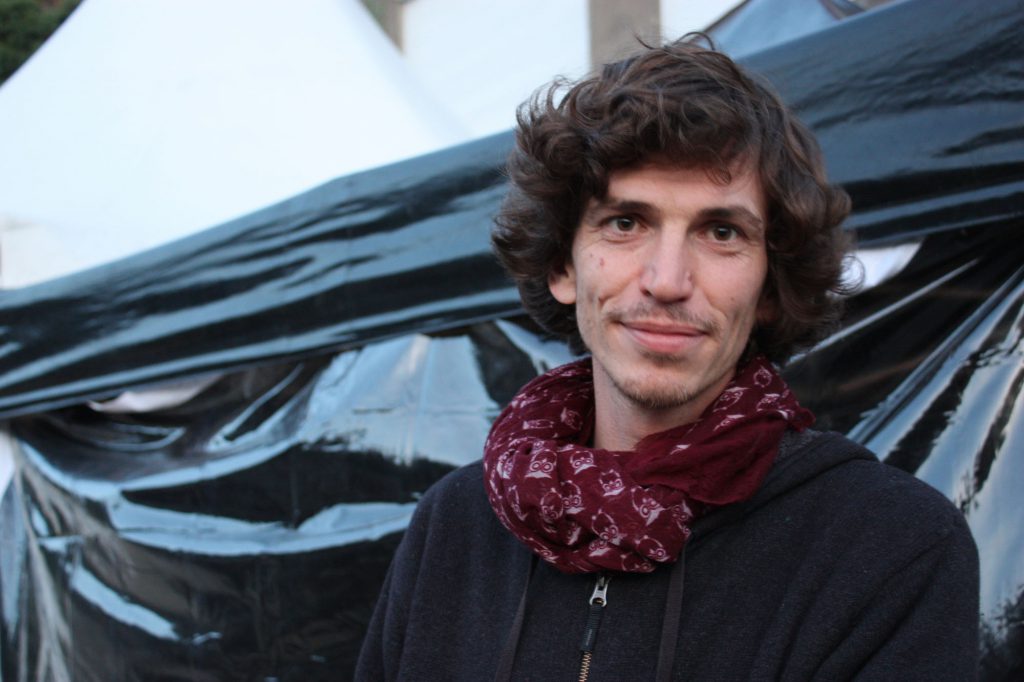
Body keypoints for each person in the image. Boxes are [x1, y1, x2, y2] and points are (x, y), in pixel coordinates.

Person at [355, 39, 979, 681]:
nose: (666, 280)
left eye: (721, 232)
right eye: (626, 223)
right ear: (563, 266)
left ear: (770, 287)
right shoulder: (456, 526)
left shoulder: (891, 547)